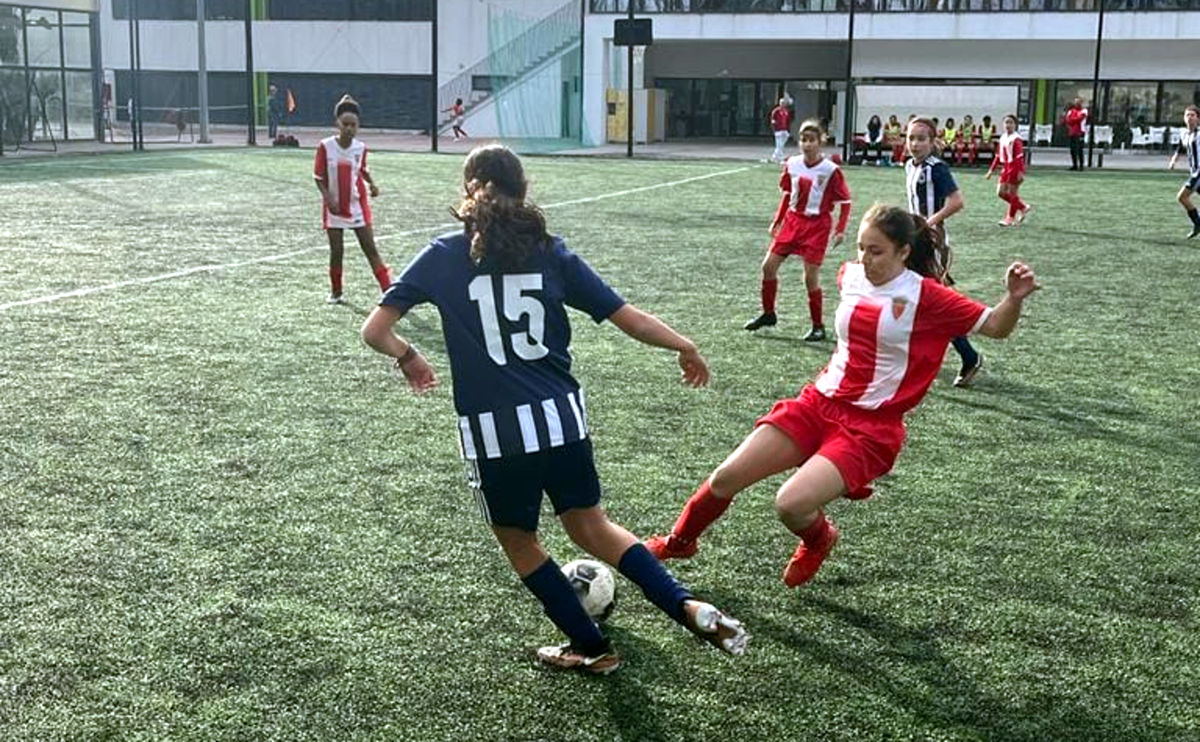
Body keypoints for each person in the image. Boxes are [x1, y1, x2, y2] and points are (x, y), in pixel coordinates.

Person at [360, 144, 749, 675]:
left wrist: (408, 356)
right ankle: (686, 605)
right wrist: (684, 345)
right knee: (594, 527)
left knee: (520, 541)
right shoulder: (550, 251)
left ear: (470, 188)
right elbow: (629, 317)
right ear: (523, 191)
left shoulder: (444, 255)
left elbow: (375, 331)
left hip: (497, 434)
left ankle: (591, 647)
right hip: (563, 420)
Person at [646, 204, 1039, 585]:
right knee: (725, 478)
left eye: (876, 251)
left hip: (870, 428)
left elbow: (995, 327)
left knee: (790, 504)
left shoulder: (928, 296)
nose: (865, 259)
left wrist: (1014, 298)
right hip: (816, 404)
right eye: (861, 248)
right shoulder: (849, 275)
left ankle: (819, 538)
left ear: (904, 251)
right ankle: (679, 542)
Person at [745, 119, 852, 342]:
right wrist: (777, 220)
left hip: (817, 226)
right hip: (793, 222)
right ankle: (768, 313)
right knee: (768, 266)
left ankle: (818, 326)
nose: (807, 144)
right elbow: (787, 195)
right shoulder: (792, 164)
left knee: (810, 277)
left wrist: (840, 229)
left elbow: (845, 201)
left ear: (821, 142)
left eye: (812, 140)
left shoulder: (830, 170)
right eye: (803, 140)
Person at [904, 116, 984, 388]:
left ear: (932, 142)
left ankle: (969, 355)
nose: (915, 144)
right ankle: (918, 355)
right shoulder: (909, 165)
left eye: (921, 139)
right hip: (914, 241)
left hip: (932, 243)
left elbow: (956, 201)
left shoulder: (937, 168)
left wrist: (929, 223)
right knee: (913, 297)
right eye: (911, 138)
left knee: (935, 304)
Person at [313, 95, 391, 304]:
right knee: (337, 251)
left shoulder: (360, 148)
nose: (349, 128)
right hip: (334, 208)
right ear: (337, 124)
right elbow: (318, 176)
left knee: (370, 249)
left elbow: (362, 169)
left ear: (358, 126)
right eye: (345, 124)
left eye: (353, 125)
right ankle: (336, 292)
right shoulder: (325, 146)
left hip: (357, 206)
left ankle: (389, 291)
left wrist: (372, 184)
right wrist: (328, 198)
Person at [986, 114, 1031, 227]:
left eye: (1011, 122)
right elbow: (998, 156)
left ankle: (1010, 218)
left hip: (1014, 167)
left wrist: (1020, 172)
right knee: (1001, 192)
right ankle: (1022, 207)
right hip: (1006, 167)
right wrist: (991, 170)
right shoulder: (1003, 138)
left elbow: (1019, 157)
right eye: (1006, 122)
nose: (1008, 125)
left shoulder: (1016, 139)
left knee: (1012, 193)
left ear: (1015, 125)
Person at [1167, 104, 1200, 239]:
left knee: (1182, 197)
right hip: (1194, 172)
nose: (1189, 118)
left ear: (1198, 118)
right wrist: (1173, 160)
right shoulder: (1184, 133)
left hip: (1199, 173)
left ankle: (1198, 223)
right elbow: (1180, 147)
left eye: (1193, 115)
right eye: (1187, 115)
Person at [1064, 98, 1088, 171]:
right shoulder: (1071, 111)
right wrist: (1073, 120)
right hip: (1072, 132)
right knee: (1073, 149)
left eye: (1078, 102)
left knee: (1080, 149)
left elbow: (1080, 119)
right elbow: (1067, 120)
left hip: (1080, 132)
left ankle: (1081, 165)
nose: (1077, 104)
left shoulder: (1084, 111)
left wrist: (1073, 119)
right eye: (1076, 102)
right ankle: (1074, 165)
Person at [769, 97, 793, 164]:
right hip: (778, 130)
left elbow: (788, 120)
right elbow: (773, 120)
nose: (783, 104)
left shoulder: (786, 111)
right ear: (779, 103)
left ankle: (775, 156)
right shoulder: (776, 111)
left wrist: (788, 129)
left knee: (782, 144)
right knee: (779, 144)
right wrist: (774, 128)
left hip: (785, 129)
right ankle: (780, 158)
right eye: (781, 103)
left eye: (784, 103)